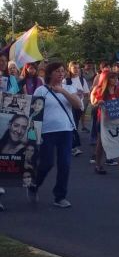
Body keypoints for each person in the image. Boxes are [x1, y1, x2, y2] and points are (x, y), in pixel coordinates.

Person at [31, 62, 83, 208]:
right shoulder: (41, 90)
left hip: (65, 130)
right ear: (49, 74)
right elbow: (34, 113)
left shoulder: (68, 88)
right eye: (57, 71)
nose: (61, 74)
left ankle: (60, 196)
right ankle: (35, 183)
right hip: (47, 132)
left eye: (62, 71)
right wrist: (34, 135)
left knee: (65, 164)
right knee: (47, 163)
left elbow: (78, 105)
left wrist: (63, 91)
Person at [91, 71, 119, 177]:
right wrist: (98, 103)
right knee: (101, 143)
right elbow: (94, 104)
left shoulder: (118, 90)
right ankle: (98, 164)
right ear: (107, 79)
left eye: (116, 78)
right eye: (113, 78)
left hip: (117, 119)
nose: (115, 80)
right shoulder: (100, 90)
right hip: (104, 120)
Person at [64, 61, 90, 154]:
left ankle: (70, 145)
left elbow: (87, 93)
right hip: (70, 106)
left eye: (78, 68)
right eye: (74, 68)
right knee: (72, 126)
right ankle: (72, 147)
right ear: (70, 69)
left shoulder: (82, 80)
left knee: (75, 125)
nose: (76, 70)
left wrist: (81, 94)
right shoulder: (66, 81)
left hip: (79, 106)